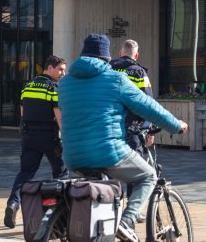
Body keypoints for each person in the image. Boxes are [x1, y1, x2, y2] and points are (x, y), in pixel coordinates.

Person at [58, 34, 187, 242]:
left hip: (73, 156)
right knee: (148, 176)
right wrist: (176, 125)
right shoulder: (116, 80)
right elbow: (148, 106)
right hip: (107, 151)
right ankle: (126, 223)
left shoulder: (64, 84)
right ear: (107, 57)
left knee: (104, 191)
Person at [4, 55, 68, 229]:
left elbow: (23, 113)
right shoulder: (54, 88)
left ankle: (13, 203)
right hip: (50, 137)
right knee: (61, 174)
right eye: (60, 69)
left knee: (25, 173)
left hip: (29, 136)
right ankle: (60, 215)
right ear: (49, 67)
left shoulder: (28, 86)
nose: (63, 73)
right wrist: (67, 138)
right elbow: (59, 117)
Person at [110, 39, 153, 152]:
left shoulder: (107, 69)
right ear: (137, 55)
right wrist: (149, 129)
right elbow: (147, 103)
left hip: (109, 125)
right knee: (134, 163)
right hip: (132, 127)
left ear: (120, 53)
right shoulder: (139, 73)